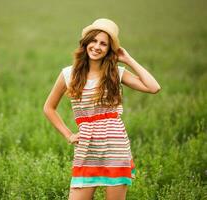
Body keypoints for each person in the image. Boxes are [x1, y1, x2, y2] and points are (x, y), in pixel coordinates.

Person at [43, 18, 161, 200]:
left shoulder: (116, 73)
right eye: (94, 41)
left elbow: (154, 88)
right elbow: (49, 108)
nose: (97, 47)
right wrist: (68, 135)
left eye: (103, 44)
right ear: (86, 43)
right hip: (87, 148)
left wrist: (128, 59)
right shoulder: (69, 74)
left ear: (109, 49)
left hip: (115, 147)